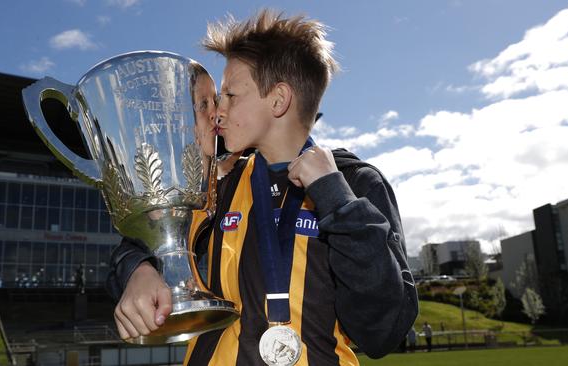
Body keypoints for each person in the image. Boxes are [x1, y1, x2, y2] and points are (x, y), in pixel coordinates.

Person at [106, 9, 418, 365]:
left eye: (231, 96)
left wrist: (336, 200)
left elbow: (383, 331)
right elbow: (136, 246)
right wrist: (139, 271)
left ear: (278, 100)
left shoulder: (355, 183)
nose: (217, 111)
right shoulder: (217, 183)